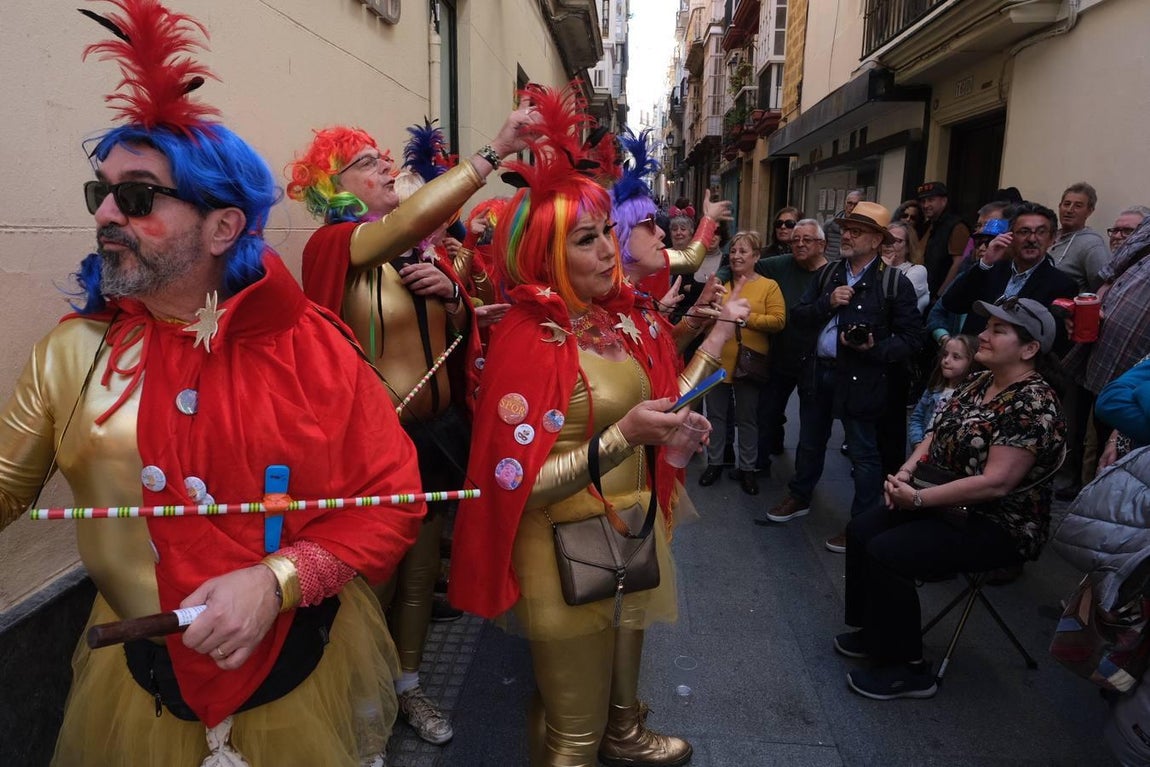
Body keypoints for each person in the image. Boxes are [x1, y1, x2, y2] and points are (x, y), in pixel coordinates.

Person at [8, 3, 425, 764]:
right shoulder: (75, 353)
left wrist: (279, 579)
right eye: (98, 192)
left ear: (223, 227)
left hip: (292, 675)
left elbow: (392, 500)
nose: (105, 213)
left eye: (135, 197)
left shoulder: (312, 349)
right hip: (131, 674)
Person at [448, 84, 748, 767]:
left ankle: (628, 731)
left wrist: (671, 431)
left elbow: (661, 397)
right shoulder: (530, 339)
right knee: (569, 733)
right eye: (587, 240)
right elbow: (512, 481)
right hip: (556, 548)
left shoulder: (620, 318)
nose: (610, 252)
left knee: (609, 693)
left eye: (606, 233)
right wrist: (625, 437)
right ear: (546, 253)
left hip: (629, 528)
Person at [285, 109, 534, 745]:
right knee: (375, 577)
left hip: (438, 435)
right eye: (366, 163)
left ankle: (409, 683)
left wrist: (452, 299)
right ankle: (359, 698)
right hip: (371, 448)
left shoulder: (418, 249)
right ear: (333, 187)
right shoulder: (334, 247)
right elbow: (401, 225)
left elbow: (452, 335)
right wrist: (493, 153)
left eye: (381, 155)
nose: (386, 164)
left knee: (422, 573)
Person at [837, 297, 1066, 700]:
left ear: (1030, 349)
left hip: (995, 522)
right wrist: (905, 474)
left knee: (888, 552)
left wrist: (920, 501)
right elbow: (932, 434)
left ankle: (906, 667)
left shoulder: (1034, 403)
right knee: (861, 530)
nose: (984, 334)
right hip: (940, 498)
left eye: (999, 330)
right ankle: (874, 632)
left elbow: (996, 484)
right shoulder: (978, 381)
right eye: (988, 325)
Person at [765, 203, 923, 554]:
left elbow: (913, 340)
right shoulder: (828, 275)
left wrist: (874, 347)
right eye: (846, 229)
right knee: (809, 440)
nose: (846, 236)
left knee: (864, 453)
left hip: (863, 380)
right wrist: (828, 303)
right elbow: (801, 316)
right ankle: (799, 496)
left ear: (878, 240)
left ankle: (861, 525)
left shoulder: (893, 282)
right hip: (818, 372)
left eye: (856, 231)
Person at [697, 231, 786, 495]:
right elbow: (704, 320)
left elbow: (779, 320)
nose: (736, 256)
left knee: (748, 418)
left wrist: (746, 319)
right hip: (718, 360)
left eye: (743, 251)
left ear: (756, 256)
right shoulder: (719, 286)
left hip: (750, 363)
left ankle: (747, 469)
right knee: (715, 415)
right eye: (733, 251)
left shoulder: (769, 286)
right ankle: (715, 463)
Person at [941, 201, 1077, 343]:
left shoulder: (1062, 285)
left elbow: (1052, 339)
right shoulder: (990, 269)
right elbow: (952, 304)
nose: (1031, 239)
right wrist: (985, 263)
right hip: (975, 355)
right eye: (1024, 232)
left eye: (1041, 232)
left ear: (1052, 239)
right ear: (1010, 237)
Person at [753, 219, 829, 469]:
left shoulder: (833, 274)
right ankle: (759, 464)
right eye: (795, 240)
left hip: (816, 362)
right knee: (767, 412)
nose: (799, 244)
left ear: (822, 244)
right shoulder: (782, 264)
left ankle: (802, 483)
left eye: (806, 240)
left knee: (811, 425)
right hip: (782, 355)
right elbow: (748, 265)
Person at [908, 335, 979, 446]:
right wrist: (917, 442)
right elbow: (917, 418)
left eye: (956, 357)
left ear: (972, 362)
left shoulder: (973, 397)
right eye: (945, 355)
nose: (946, 360)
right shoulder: (934, 388)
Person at [1049, 182, 1110, 292]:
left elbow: (1103, 288)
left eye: (1078, 206)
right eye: (1066, 204)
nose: (1069, 210)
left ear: (1090, 211)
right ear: (1059, 206)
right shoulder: (1049, 236)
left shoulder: (1092, 244)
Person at [917, 181, 971, 300]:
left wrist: (940, 295)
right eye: (923, 201)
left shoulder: (957, 226)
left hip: (939, 297)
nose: (925, 205)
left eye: (931, 200)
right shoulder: (925, 226)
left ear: (944, 201)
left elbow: (958, 264)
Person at [883, 221, 929, 313]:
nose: (889, 244)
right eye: (886, 239)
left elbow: (895, 301)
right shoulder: (872, 266)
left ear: (908, 247)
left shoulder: (917, 271)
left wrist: (887, 269)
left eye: (897, 241)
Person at [824, 190, 863, 260]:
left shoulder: (864, 228)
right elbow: (822, 245)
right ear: (845, 204)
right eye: (849, 203)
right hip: (829, 265)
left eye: (856, 204)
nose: (852, 207)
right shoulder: (830, 224)